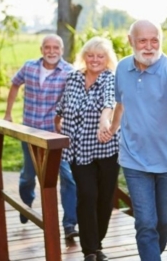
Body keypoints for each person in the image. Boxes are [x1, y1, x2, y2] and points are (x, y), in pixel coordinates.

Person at [104, 19, 167, 261]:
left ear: (161, 41)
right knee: (145, 222)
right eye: (143, 41)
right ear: (131, 41)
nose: (149, 46)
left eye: (154, 40)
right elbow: (121, 102)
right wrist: (112, 127)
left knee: (163, 221)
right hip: (133, 158)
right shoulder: (122, 68)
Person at [4, 34, 78, 240]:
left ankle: (70, 223)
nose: (52, 51)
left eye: (56, 47)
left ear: (61, 50)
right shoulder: (29, 67)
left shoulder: (69, 71)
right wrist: (8, 113)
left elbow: (73, 99)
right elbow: (14, 84)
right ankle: (26, 203)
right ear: (41, 49)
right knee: (28, 175)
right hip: (30, 132)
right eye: (48, 47)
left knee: (68, 177)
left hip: (56, 135)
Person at [55, 36, 120, 261]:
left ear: (107, 59)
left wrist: (105, 122)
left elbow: (109, 103)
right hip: (77, 150)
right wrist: (58, 130)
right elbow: (62, 108)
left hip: (106, 149)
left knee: (104, 198)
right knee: (87, 195)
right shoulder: (73, 78)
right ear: (84, 57)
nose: (94, 60)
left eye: (100, 56)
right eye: (90, 55)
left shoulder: (111, 78)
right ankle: (89, 250)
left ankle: (97, 244)